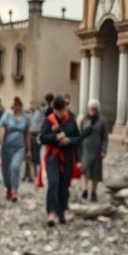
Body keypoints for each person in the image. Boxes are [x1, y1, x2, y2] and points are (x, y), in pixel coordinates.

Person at [39, 95, 82, 227]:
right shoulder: (49, 121)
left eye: (62, 110)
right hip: (53, 156)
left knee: (64, 186)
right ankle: (51, 212)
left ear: (65, 109)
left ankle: (61, 211)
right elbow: (43, 138)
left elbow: (78, 139)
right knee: (53, 183)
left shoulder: (72, 121)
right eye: (57, 111)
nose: (60, 113)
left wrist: (69, 141)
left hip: (68, 156)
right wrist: (55, 137)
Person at [0, 97, 29, 202]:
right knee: (6, 169)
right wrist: (1, 144)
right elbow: (2, 128)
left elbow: (27, 134)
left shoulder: (25, 117)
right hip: (6, 147)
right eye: (14, 105)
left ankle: (14, 190)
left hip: (19, 147)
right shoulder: (7, 115)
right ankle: (8, 188)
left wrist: (28, 150)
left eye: (17, 105)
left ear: (20, 105)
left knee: (15, 167)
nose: (15, 107)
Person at [79, 99, 109, 202]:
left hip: (97, 150)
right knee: (84, 170)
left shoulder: (102, 121)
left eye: (94, 109)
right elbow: (81, 134)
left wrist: (104, 150)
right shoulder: (84, 120)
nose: (92, 111)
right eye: (91, 109)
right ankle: (84, 190)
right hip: (86, 149)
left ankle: (93, 192)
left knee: (96, 172)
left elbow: (105, 137)